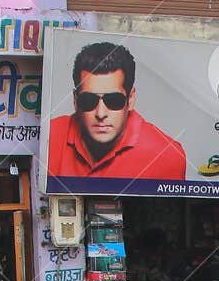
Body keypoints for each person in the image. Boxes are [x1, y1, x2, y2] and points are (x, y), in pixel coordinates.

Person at [46, 41, 186, 181]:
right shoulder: (49, 136)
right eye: (89, 100)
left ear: (130, 99)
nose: (101, 114)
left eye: (114, 100)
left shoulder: (167, 155)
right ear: (75, 101)